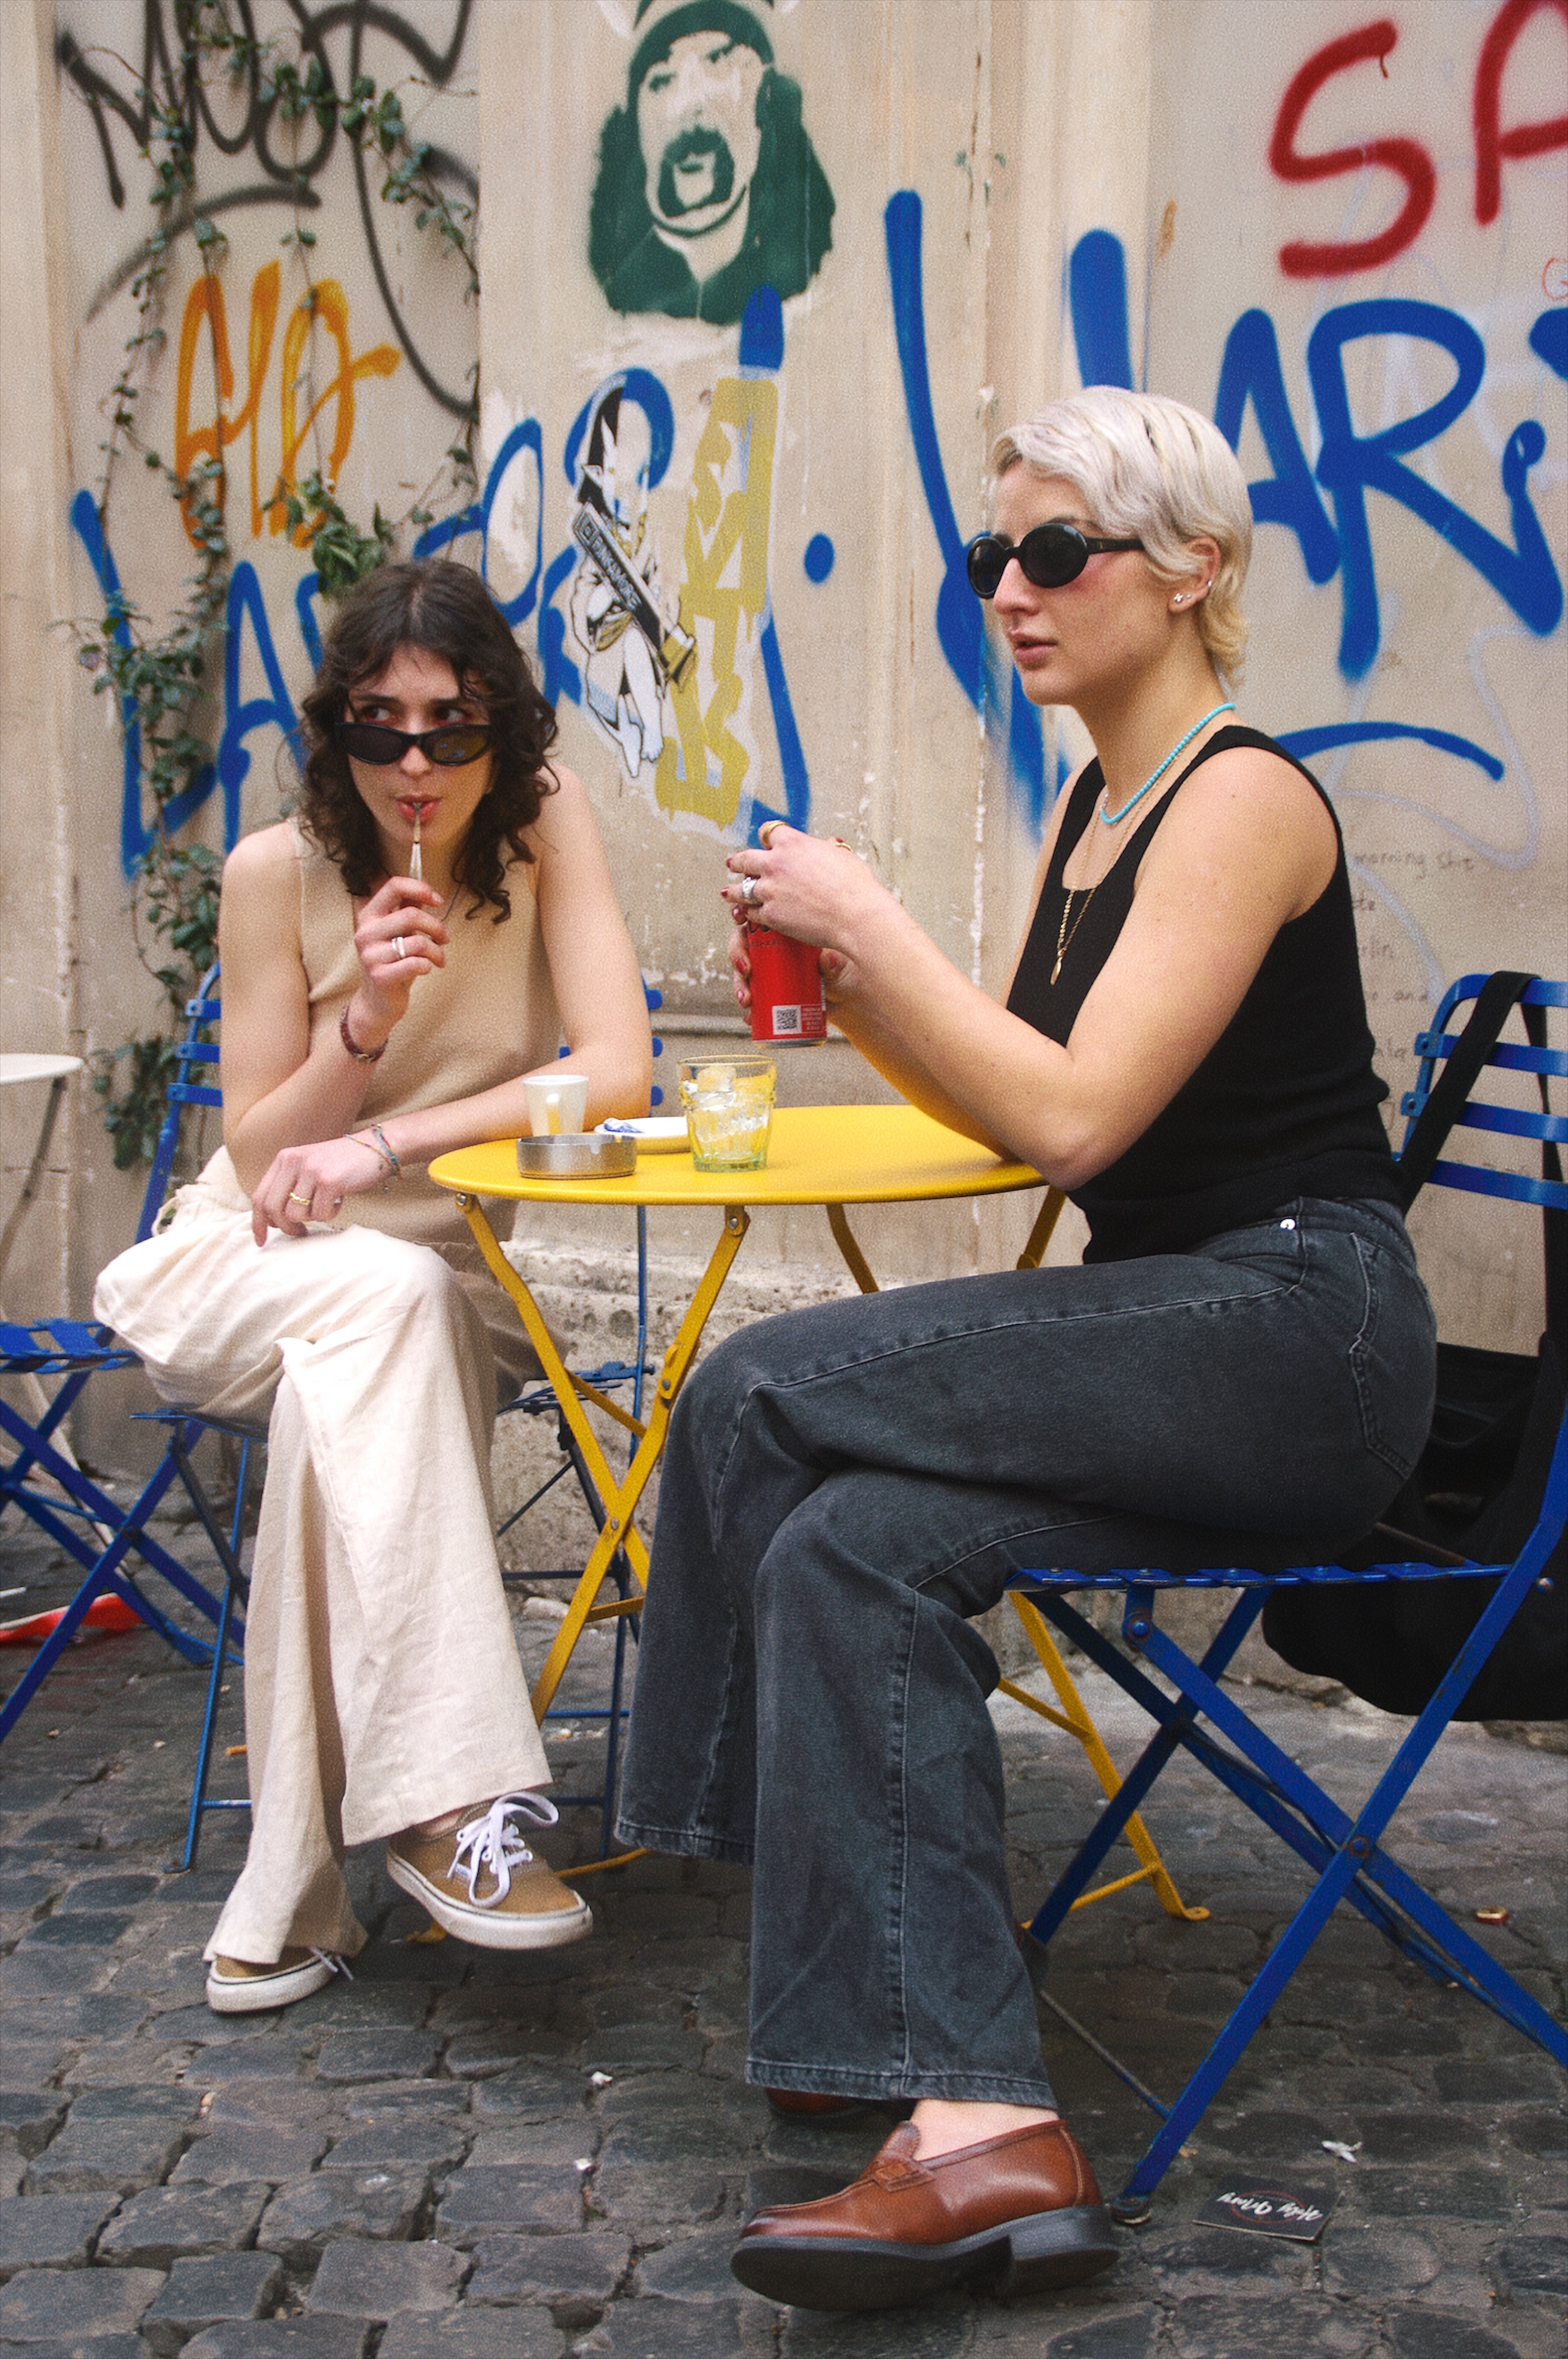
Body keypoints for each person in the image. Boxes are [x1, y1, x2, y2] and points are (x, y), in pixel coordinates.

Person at [613, 388, 1437, 2313]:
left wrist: (872, 920)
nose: (1009, 588)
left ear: (1193, 568)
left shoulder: (1242, 797)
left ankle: (726, 1860)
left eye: (1055, 550)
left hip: (1297, 1334)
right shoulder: (1091, 807)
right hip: (1178, 1341)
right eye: (993, 553)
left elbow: (1073, 1125)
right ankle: (977, 2124)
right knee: (847, 1548)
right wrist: (844, 995)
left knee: (752, 1384)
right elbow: (1013, 1097)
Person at [95, 560, 652, 2015]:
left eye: (451, 727)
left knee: (361, 1367)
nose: (416, 763)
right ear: (337, 731)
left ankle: (287, 1897)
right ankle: (451, 1803)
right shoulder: (272, 871)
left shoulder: (542, 827)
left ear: (501, 729)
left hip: (439, 1284)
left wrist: (393, 1142)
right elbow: (258, 1153)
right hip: (252, 1261)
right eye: (380, 728)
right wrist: (366, 1022)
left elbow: (616, 1068)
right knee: (379, 1301)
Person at [590, 0, 834, 324]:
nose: (689, 105)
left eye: (717, 62)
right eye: (662, 80)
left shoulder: (797, 272)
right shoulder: (623, 293)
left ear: (762, 103)